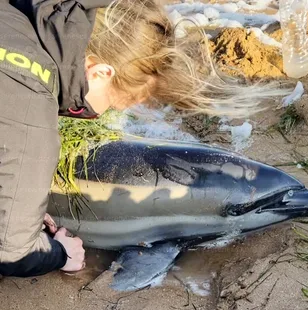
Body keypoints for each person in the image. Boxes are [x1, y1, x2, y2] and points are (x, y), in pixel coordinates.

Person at [0, 0, 284, 277]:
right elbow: (12, 251)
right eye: (112, 103)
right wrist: (58, 251)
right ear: (100, 72)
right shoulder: (30, 116)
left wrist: (22, 208)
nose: (96, 116)